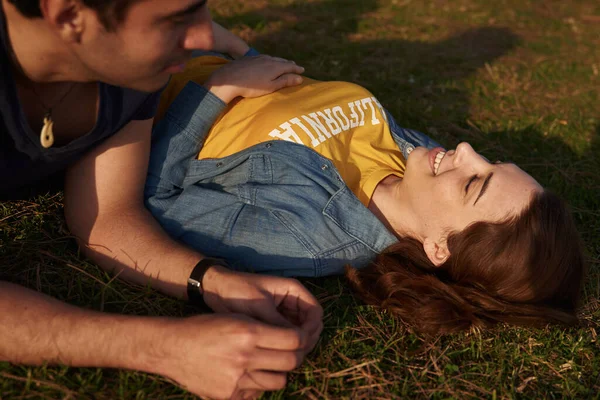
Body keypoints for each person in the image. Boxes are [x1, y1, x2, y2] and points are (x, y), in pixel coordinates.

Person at [0, 1, 324, 399]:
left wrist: (213, 281)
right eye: (176, 19)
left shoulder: (128, 73)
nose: (206, 37)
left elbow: (107, 216)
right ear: (69, 16)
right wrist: (161, 348)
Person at [146, 54, 586, 337]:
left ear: (438, 247)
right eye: (491, 161)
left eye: (474, 182)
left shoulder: (306, 236)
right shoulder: (414, 159)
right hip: (206, 44)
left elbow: (156, 197)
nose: (466, 151)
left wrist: (218, 88)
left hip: (143, 80)